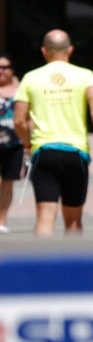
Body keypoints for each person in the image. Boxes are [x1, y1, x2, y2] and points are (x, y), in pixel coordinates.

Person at [13, 30, 93, 237]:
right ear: (70, 49)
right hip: (76, 153)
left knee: (45, 216)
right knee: (73, 220)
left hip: (44, 152)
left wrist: (28, 143)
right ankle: (73, 267)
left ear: (43, 51)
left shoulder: (31, 78)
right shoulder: (86, 75)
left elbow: (19, 120)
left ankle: (41, 267)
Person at [0, 54, 22, 233]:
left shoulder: (21, 90)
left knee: (8, 183)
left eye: (5, 67)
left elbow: (28, 118)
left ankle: (2, 220)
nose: (1, 71)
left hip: (14, 144)